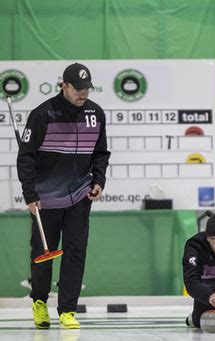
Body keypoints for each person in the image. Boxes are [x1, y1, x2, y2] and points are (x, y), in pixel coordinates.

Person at [17, 63, 110, 329]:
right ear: (64, 86)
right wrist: (30, 193)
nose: (83, 94)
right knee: (42, 251)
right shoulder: (43, 114)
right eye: (78, 89)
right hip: (45, 198)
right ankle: (39, 303)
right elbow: (25, 157)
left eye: (86, 89)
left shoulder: (96, 113)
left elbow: (101, 154)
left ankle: (67, 310)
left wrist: (98, 181)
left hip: (80, 196)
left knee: (76, 252)